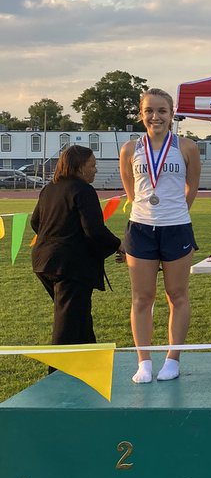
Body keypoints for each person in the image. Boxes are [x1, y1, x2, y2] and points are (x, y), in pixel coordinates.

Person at [120, 89, 200, 384]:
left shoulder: (187, 147)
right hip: (140, 228)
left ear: (172, 113)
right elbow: (131, 190)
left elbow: (192, 187)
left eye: (162, 111)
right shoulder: (130, 149)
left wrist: (175, 211)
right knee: (142, 297)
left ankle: (172, 358)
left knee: (177, 295)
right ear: (141, 114)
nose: (156, 116)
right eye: (149, 111)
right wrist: (149, 210)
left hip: (176, 227)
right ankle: (144, 361)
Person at [30, 146, 122, 347]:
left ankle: (90, 361)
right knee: (68, 326)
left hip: (44, 262)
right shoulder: (83, 190)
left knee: (77, 317)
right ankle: (56, 376)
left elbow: (35, 223)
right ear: (80, 167)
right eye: (92, 165)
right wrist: (119, 245)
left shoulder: (49, 188)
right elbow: (94, 230)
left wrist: (56, 238)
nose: (95, 170)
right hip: (70, 267)